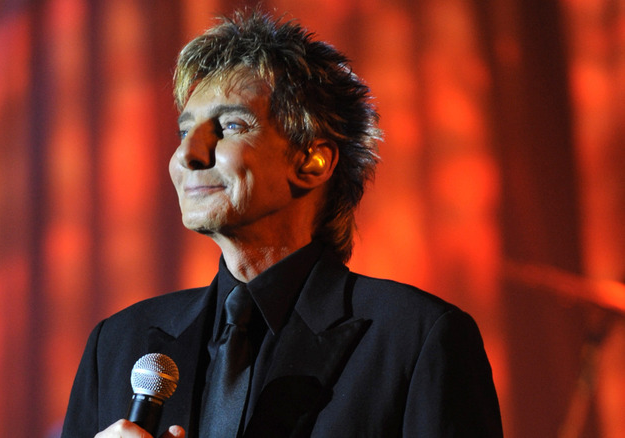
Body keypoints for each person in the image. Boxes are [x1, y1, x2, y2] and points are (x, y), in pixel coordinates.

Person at [61, 9, 502, 438]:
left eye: (231, 125)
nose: (188, 155)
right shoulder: (118, 344)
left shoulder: (416, 339)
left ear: (312, 161)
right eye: (184, 131)